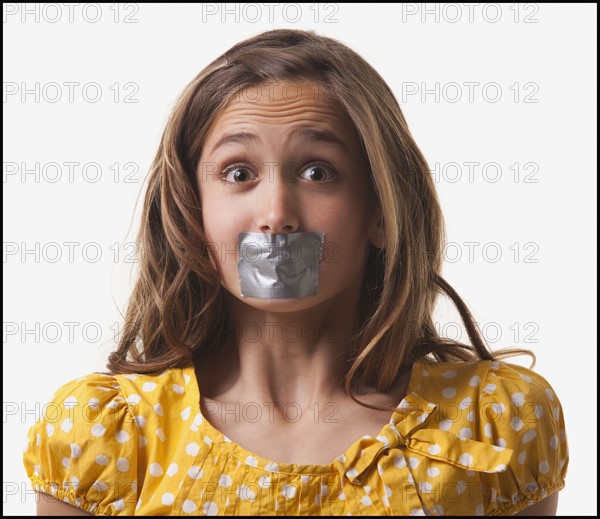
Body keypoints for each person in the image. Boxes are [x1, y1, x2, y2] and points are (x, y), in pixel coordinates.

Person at [23, 29, 569, 516]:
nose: (276, 214)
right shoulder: (108, 437)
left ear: (382, 210)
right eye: (239, 173)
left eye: (317, 171)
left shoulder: (495, 424)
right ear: (194, 213)